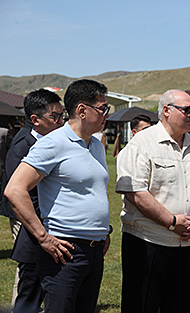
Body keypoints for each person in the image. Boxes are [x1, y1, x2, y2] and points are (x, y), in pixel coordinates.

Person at [4, 79, 112, 313]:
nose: (106, 115)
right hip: (64, 252)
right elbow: (15, 189)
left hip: (94, 251)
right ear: (82, 111)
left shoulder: (96, 145)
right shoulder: (54, 142)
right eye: (103, 109)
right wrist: (43, 238)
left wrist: (103, 229)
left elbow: (90, 191)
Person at [116, 89, 190, 313]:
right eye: (187, 110)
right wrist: (171, 221)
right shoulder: (142, 143)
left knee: (180, 306)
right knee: (143, 305)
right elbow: (135, 191)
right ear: (166, 111)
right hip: (148, 243)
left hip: (187, 245)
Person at [0, 89, 63, 313]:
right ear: (35, 120)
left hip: (47, 222)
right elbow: (19, 192)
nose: (61, 121)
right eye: (55, 117)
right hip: (30, 221)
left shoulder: (53, 141)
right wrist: (44, 227)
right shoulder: (22, 146)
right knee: (29, 277)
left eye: (62, 115)